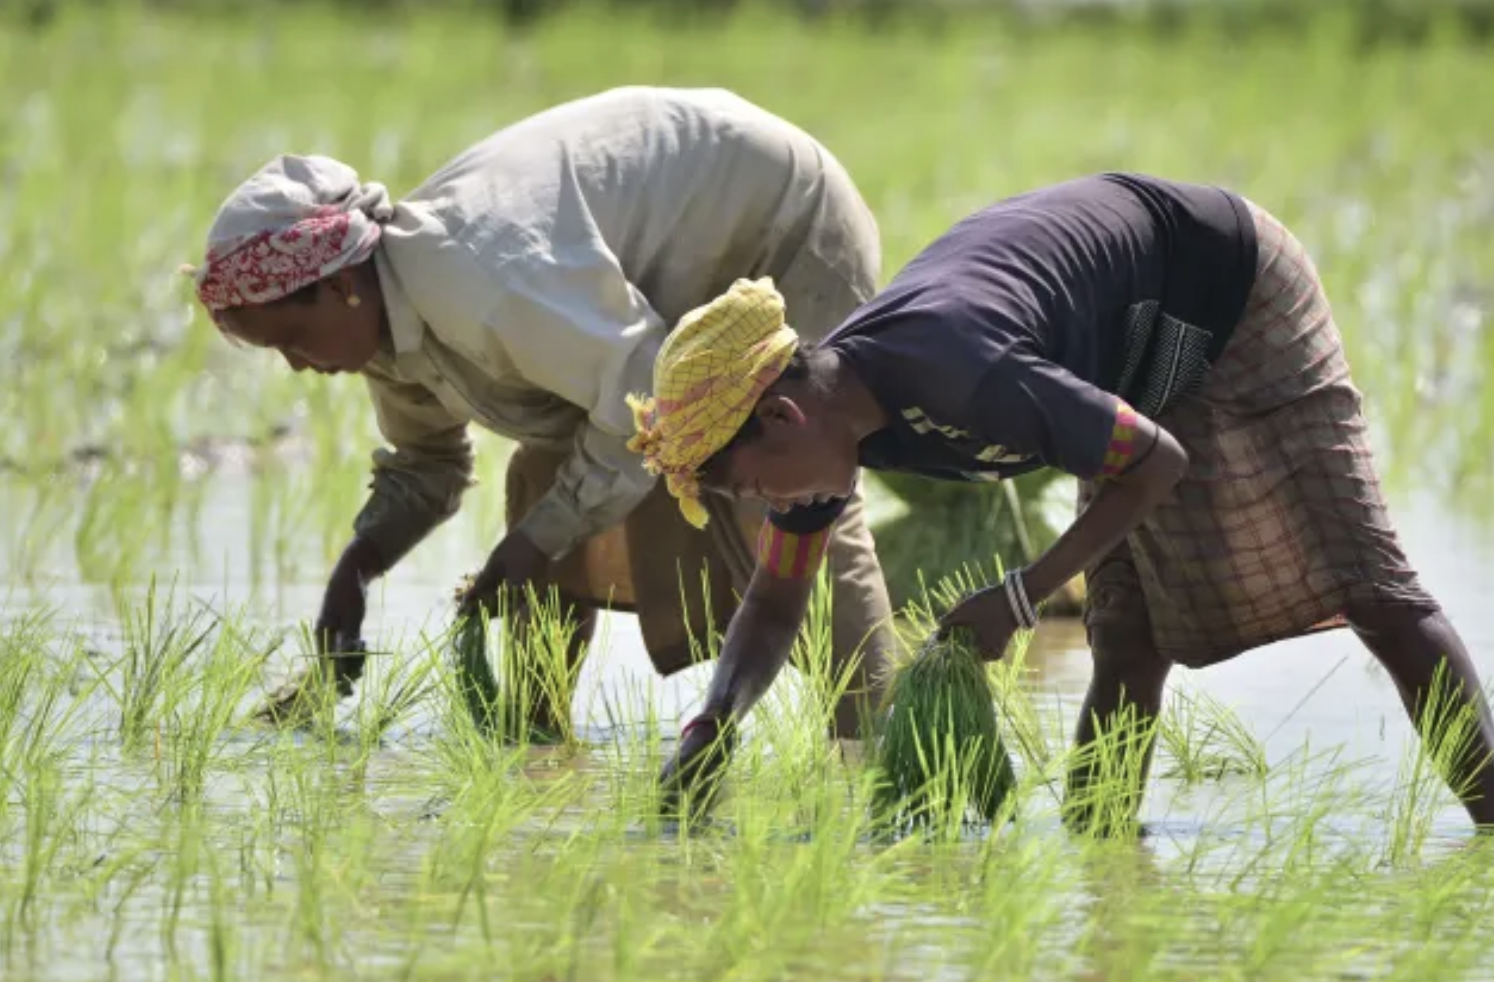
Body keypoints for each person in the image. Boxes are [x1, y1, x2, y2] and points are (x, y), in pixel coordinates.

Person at [634, 172, 1494, 830]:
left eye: (749, 484)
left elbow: (1156, 463)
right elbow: (779, 597)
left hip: (1227, 287)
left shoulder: (959, 369)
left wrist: (1019, 595)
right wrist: (714, 718)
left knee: (1373, 589)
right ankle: (1104, 858)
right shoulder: (830, 434)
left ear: (781, 415)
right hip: (1123, 354)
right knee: (1126, 630)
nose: (763, 504)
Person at [183, 86, 894, 734]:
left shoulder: (478, 279)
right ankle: (534, 735)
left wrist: (533, 541)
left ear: (339, 286)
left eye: (294, 339)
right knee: (543, 483)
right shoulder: (386, 326)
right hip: (667, 279)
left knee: (788, 492)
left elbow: (642, 400)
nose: (300, 365)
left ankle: (880, 748)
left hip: (781, 226)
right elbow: (426, 466)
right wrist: (357, 571)